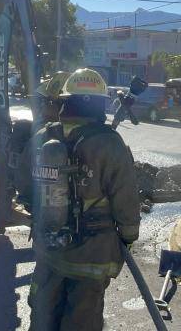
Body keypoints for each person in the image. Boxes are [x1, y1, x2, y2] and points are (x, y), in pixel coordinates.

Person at [28, 68, 141, 331]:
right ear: (101, 104)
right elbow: (126, 199)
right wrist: (128, 236)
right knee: (82, 320)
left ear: (66, 100)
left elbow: (24, 185)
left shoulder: (44, 136)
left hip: (49, 248)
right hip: (92, 255)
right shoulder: (110, 143)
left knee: (44, 314)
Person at [14, 71, 71, 210]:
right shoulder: (46, 134)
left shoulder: (43, 136)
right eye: (43, 102)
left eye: (46, 102)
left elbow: (23, 179)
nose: (42, 107)